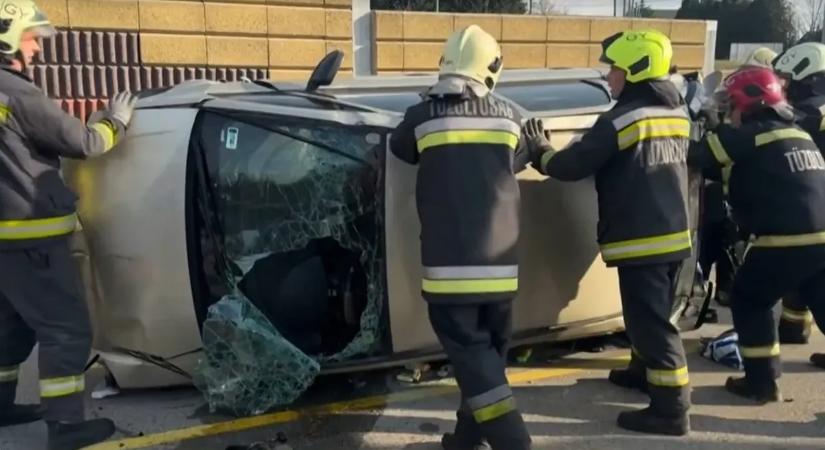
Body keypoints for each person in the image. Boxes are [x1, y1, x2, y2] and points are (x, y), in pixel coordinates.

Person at [525, 29, 692, 436]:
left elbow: (572, 166)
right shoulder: (676, 113)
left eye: (614, 68)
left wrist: (540, 151)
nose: (609, 76)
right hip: (673, 233)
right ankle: (642, 372)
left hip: (641, 238)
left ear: (634, 71)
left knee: (651, 324)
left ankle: (672, 409)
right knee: (649, 315)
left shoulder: (621, 119)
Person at [0, 1, 137, 449]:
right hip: (31, 238)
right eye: (31, 38)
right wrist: (116, 122)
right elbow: (85, 142)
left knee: (12, 325)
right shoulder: (17, 93)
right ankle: (65, 427)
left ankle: (0, 405)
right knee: (65, 329)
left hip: (6, 243)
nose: (37, 48)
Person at [390, 24, 532, 450]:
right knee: (487, 359)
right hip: (501, 269)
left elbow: (399, 148)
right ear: (491, 68)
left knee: (474, 360)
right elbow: (517, 158)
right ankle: (467, 437)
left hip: (450, 272)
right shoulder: (511, 117)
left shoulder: (422, 116)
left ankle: (514, 443)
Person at [687, 66, 825, 402]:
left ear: (747, 103)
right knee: (821, 298)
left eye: (730, 105)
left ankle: (762, 381)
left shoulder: (749, 135)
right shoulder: (797, 133)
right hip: (821, 237)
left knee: (750, 299)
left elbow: (699, 156)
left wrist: (709, 121)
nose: (729, 112)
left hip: (785, 240)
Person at [772, 42, 825, 350]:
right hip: (816, 198)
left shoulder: (813, 110)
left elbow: (786, 123)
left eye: (787, 80)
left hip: (817, 199)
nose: (783, 86)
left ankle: (794, 326)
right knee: (805, 268)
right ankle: (793, 326)